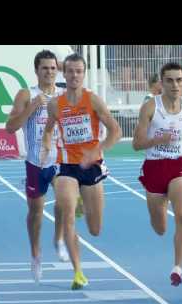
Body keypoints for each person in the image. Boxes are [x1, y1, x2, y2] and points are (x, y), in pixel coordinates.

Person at [41, 53, 122, 290]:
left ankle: (81, 203)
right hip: (66, 166)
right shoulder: (56, 104)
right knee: (67, 213)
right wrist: (47, 145)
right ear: (63, 74)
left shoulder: (93, 100)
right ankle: (78, 272)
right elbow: (48, 131)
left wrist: (97, 149)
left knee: (95, 229)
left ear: (84, 74)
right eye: (70, 71)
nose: (74, 75)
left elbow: (116, 131)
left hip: (92, 166)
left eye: (79, 71)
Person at [133, 62, 182, 287]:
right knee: (160, 227)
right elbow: (136, 144)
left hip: (178, 165)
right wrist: (158, 140)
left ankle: (178, 268)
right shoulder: (150, 107)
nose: (175, 85)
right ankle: (160, 206)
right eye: (169, 80)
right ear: (162, 82)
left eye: (179, 80)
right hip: (154, 166)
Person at [6, 50, 69, 283]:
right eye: (45, 68)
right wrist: (32, 106)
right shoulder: (26, 94)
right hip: (35, 162)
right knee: (35, 213)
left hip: (60, 160)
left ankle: (59, 239)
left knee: (65, 201)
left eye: (53, 68)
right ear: (36, 71)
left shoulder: (65, 94)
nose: (50, 72)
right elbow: (11, 127)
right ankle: (35, 255)